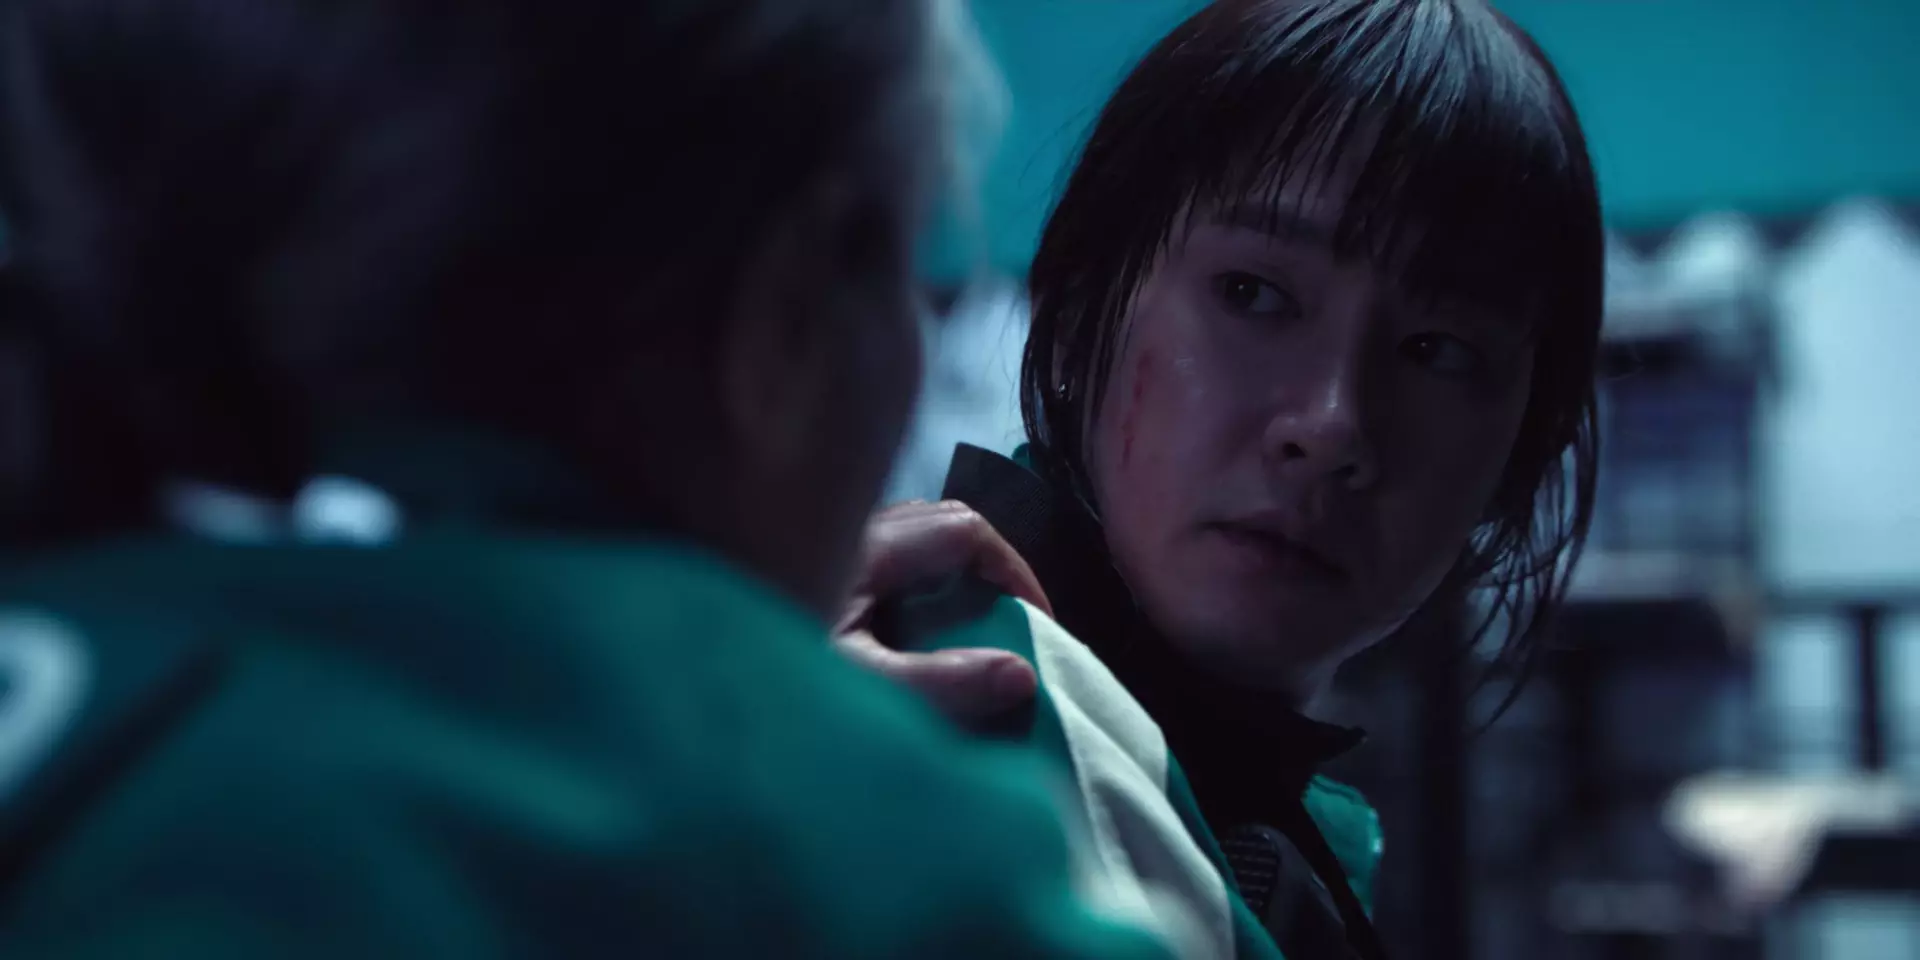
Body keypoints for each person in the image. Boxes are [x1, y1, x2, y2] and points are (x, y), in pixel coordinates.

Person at [0, 0, 1190, 956]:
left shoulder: (85, 645)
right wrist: (743, 707)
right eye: (910, 270)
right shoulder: (807, 830)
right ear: (784, 313)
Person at [839, 0, 1604, 957]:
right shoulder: (955, 705)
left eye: (1436, 349)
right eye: (1252, 293)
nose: (1333, 425)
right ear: (1079, 309)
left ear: (1522, 449)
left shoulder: (1265, 824)